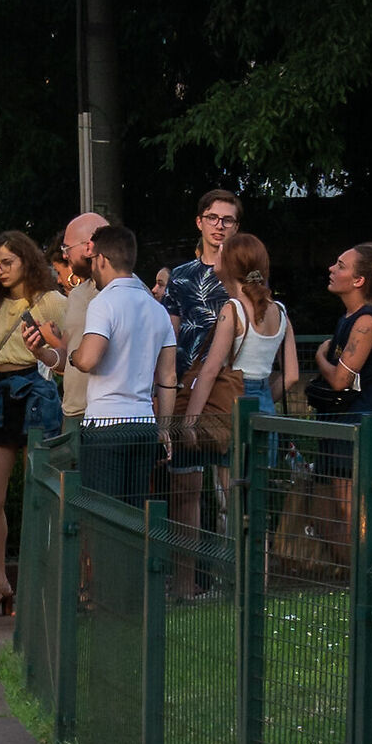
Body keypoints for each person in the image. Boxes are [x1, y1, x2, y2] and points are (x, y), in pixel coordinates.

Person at [0, 231, 66, 616]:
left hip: (36, 390)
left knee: (38, 494)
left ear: (26, 260)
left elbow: (68, 352)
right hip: (0, 391)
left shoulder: (52, 302)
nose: (0, 270)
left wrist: (48, 349)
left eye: (7, 262)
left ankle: (35, 585)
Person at [70, 224, 178, 508]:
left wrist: (72, 356)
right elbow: (168, 376)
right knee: (134, 517)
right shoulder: (158, 310)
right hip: (143, 425)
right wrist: (163, 428)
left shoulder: (103, 303)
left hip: (105, 425)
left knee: (103, 517)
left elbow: (89, 359)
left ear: (102, 259)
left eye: (93, 261)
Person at [164, 187, 241, 527]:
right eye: (212, 217)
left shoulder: (245, 278)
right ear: (199, 222)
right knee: (184, 490)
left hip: (228, 388)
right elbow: (169, 336)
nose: (219, 225)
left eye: (227, 219)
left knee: (233, 492)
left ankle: (236, 579)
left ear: (236, 227)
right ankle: (184, 581)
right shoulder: (180, 276)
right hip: (185, 386)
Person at [184, 232, 298, 446]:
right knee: (259, 477)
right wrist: (263, 399)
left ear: (228, 264)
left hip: (232, 403)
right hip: (265, 406)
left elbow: (210, 371)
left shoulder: (233, 310)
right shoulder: (280, 311)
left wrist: (189, 423)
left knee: (231, 477)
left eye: (221, 251)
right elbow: (291, 376)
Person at [311, 242, 372, 490]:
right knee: (334, 518)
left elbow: (341, 380)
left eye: (340, 266)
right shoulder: (349, 318)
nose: (331, 268)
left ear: (358, 281)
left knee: (350, 520)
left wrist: (320, 356)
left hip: (358, 433)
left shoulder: (367, 322)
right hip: (341, 430)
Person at [24, 211, 102, 438]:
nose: (65, 256)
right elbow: (65, 361)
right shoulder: (77, 296)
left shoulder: (125, 294)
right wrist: (39, 351)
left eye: (67, 250)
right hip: (73, 415)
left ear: (89, 246)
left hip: (106, 416)